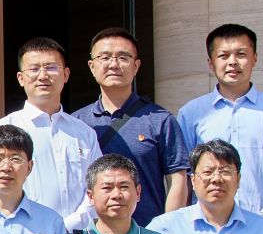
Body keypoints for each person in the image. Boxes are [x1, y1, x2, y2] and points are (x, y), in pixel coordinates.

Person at [177, 23, 263, 213]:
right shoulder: (191, 113)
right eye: (223, 56)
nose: (232, 62)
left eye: (241, 54)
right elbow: (184, 176)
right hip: (208, 222)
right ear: (211, 63)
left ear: (255, 58)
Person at [72, 28, 188, 222]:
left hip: (146, 231)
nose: (113, 64)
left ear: (136, 66)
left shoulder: (160, 120)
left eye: (122, 57)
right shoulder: (76, 122)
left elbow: (178, 179)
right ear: (92, 66)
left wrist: (168, 228)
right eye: (105, 57)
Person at [0, 37, 99, 231]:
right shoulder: (5, 128)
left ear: (65, 74)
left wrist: (70, 224)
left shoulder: (84, 133)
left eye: (51, 67)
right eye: (34, 69)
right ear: (21, 78)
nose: (43, 76)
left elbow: (97, 186)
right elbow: (1, 187)